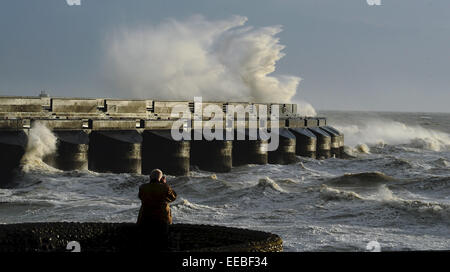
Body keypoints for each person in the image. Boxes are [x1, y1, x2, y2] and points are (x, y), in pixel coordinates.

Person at [137, 169, 177, 251]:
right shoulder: (165, 188)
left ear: (150, 177)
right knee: (161, 243)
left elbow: (140, 196)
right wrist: (164, 183)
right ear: (162, 178)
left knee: (146, 244)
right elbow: (173, 197)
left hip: (145, 218)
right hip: (161, 219)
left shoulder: (143, 187)